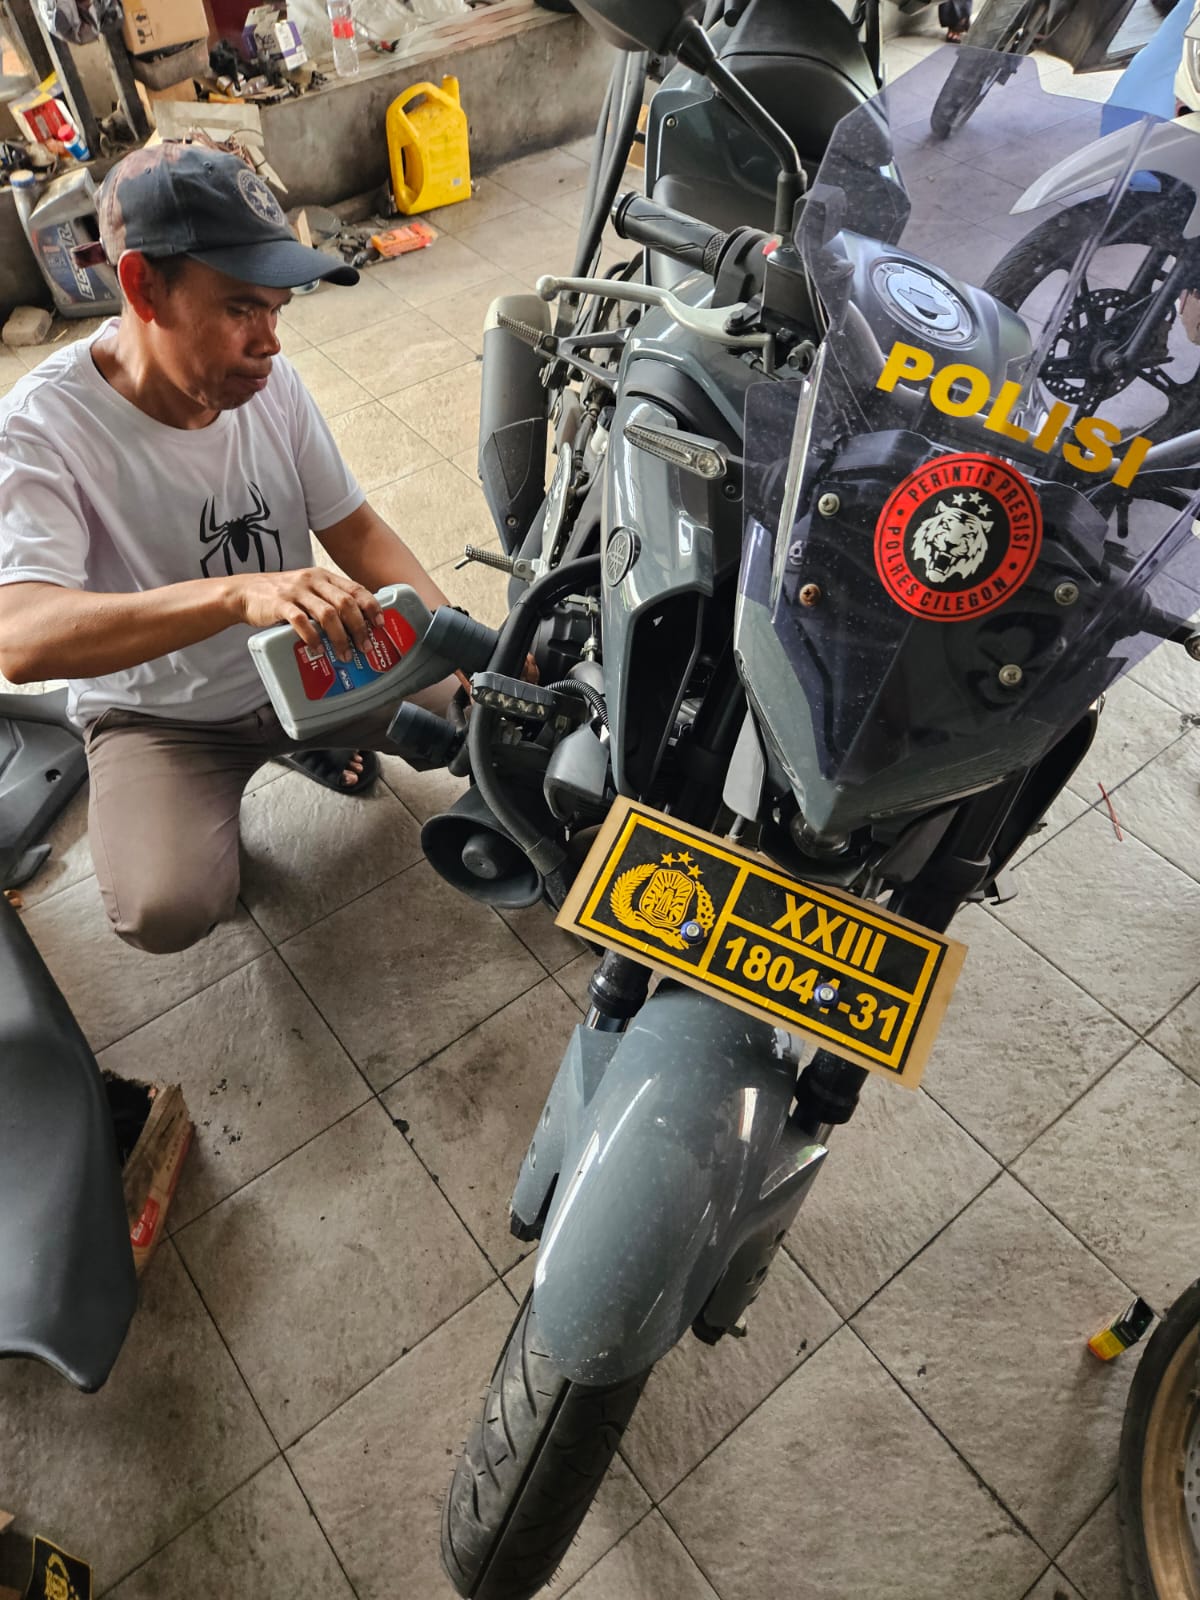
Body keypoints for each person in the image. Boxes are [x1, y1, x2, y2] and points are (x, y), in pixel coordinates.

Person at [0, 142, 460, 954]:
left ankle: (313, 737)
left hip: (314, 664)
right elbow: (21, 638)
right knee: (165, 907)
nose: (270, 341)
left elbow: (356, 530)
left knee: (479, 724)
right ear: (143, 286)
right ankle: (247, 766)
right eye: (242, 309)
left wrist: (465, 647)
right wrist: (236, 595)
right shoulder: (42, 428)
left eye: (277, 310)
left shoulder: (269, 384)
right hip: (164, 716)